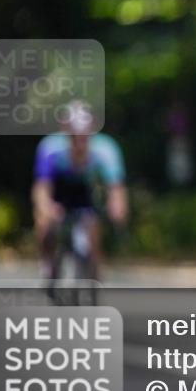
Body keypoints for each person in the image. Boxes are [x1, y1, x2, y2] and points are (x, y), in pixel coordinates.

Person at [32, 100, 128, 282]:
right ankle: (48, 261)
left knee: (92, 231)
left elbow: (116, 187)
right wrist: (46, 207)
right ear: (66, 131)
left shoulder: (105, 149)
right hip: (59, 191)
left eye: (84, 136)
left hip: (85, 193)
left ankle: (94, 273)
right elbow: (42, 188)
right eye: (74, 137)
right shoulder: (50, 147)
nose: (80, 142)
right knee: (45, 222)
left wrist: (117, 207)